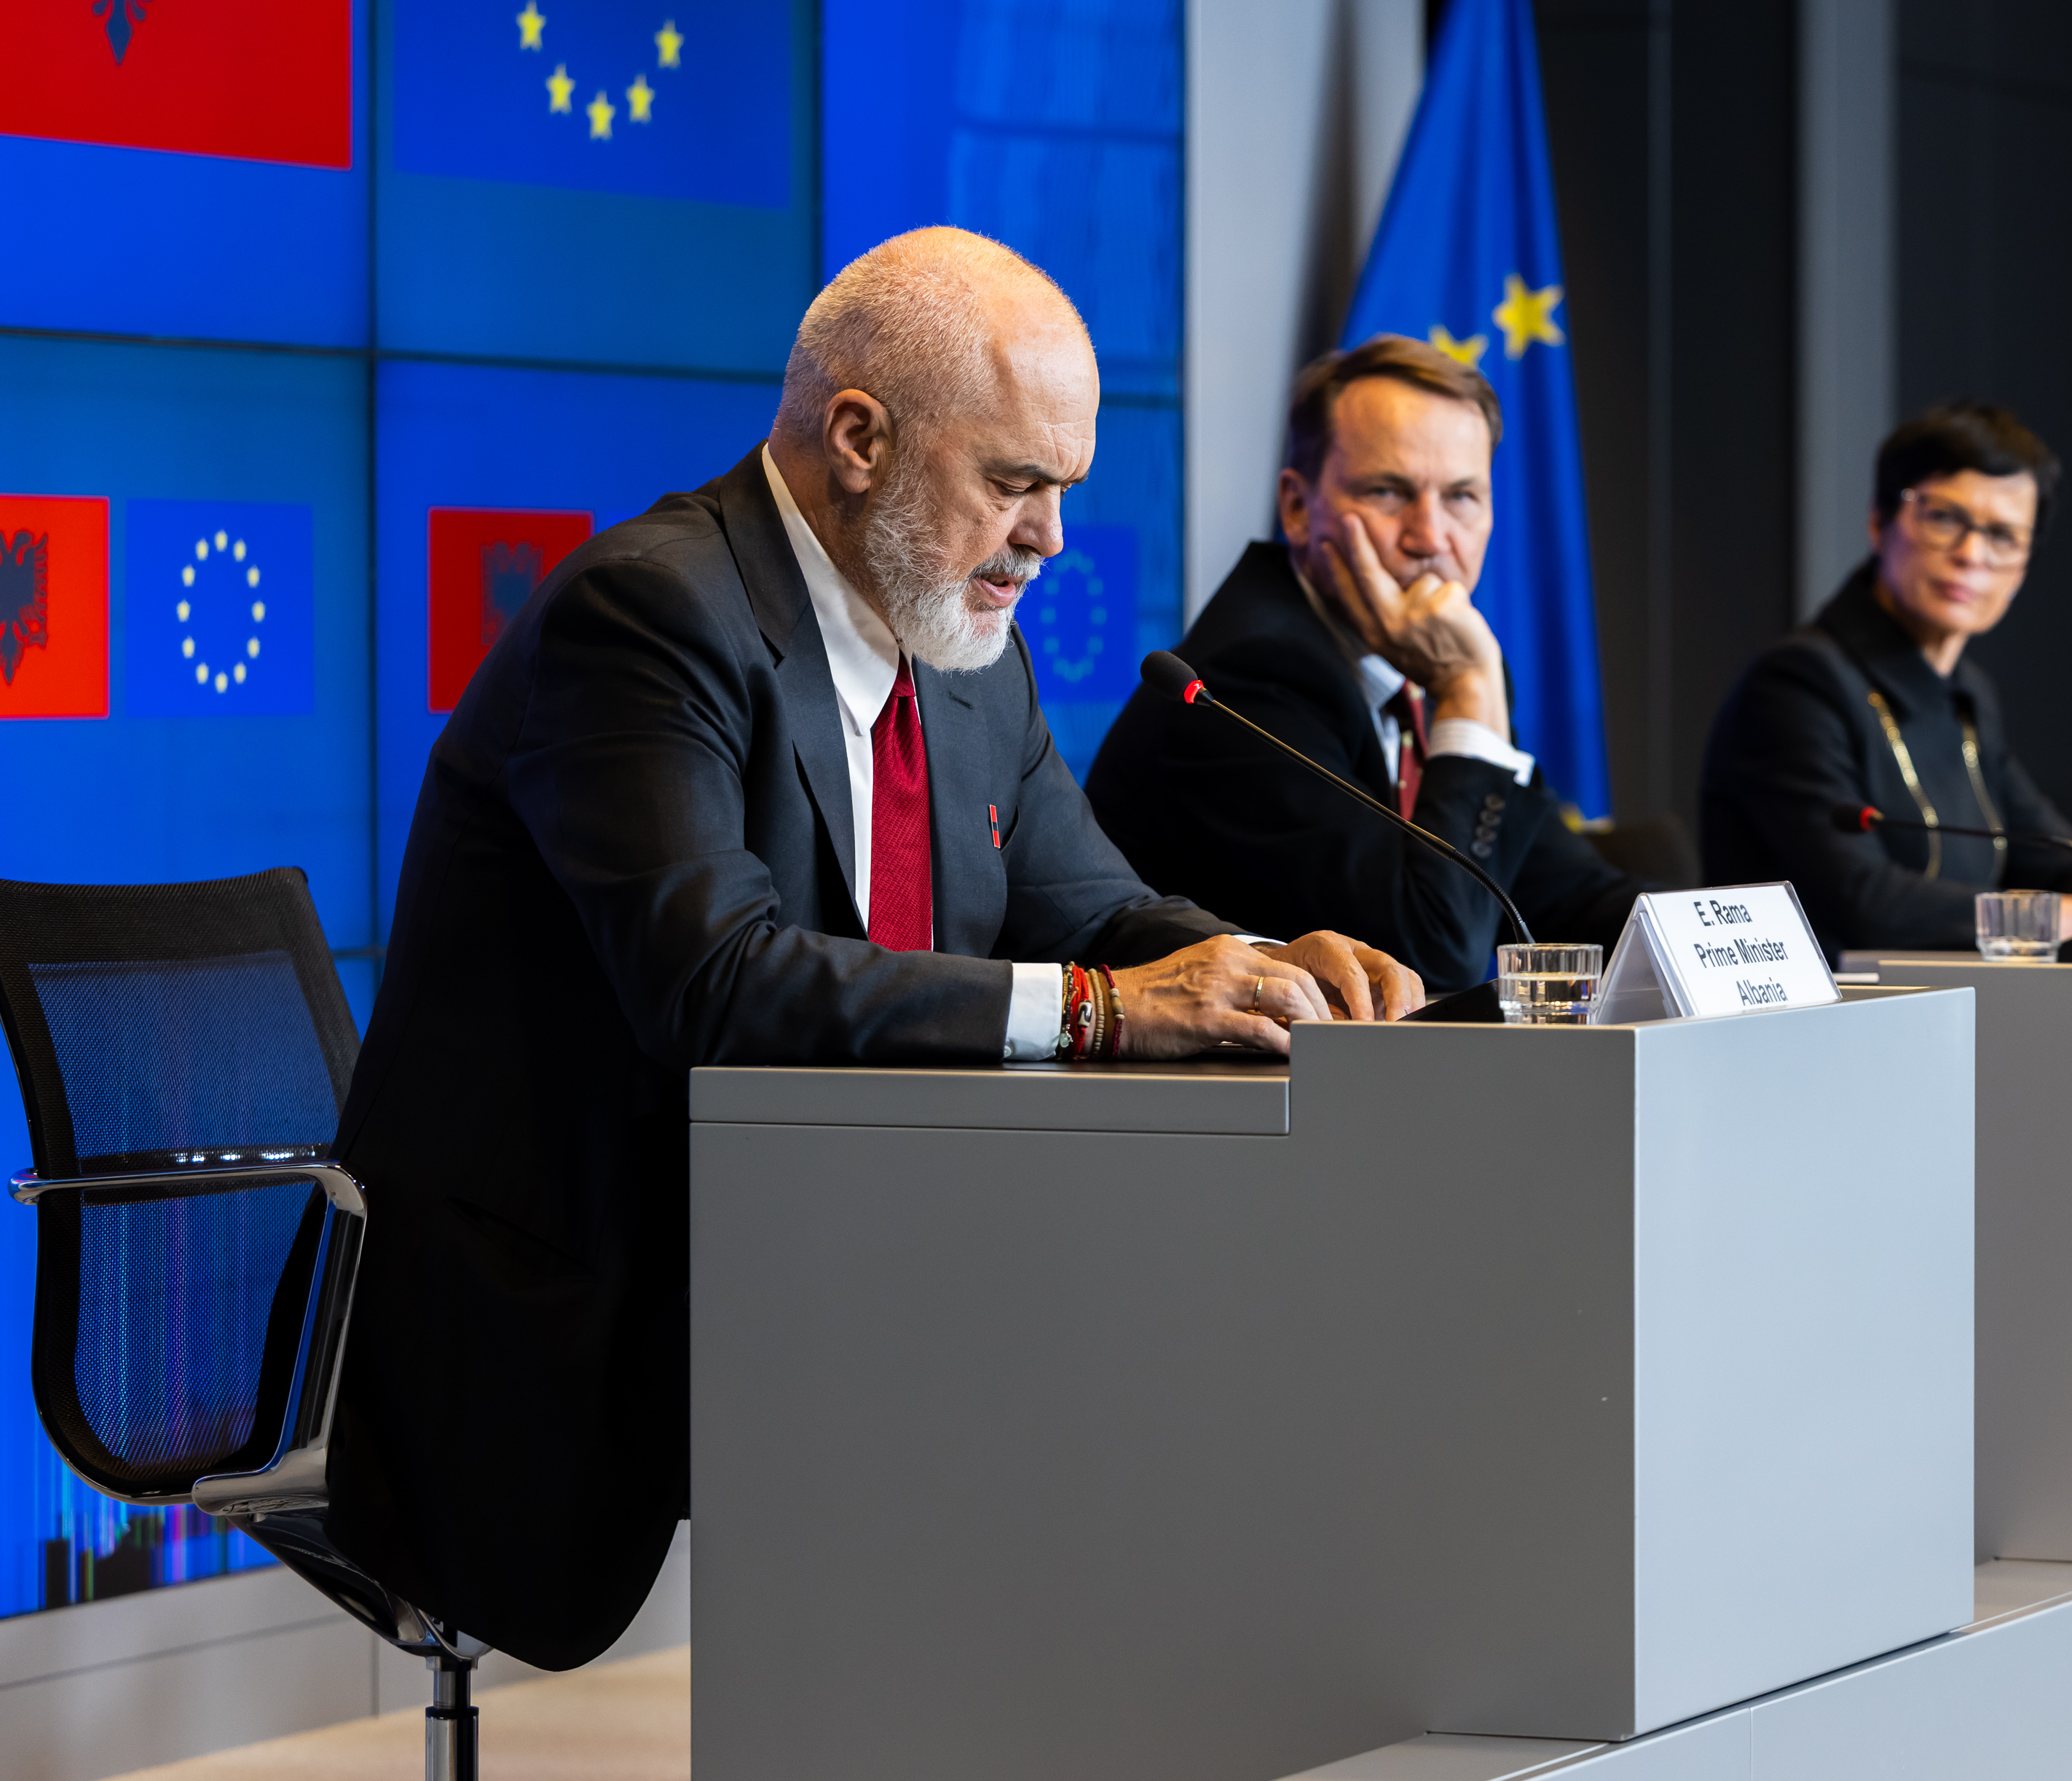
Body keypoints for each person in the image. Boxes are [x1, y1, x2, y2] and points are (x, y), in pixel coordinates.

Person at [324, 229, 1419, 1672]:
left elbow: (1097, 910)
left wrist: (1264, 967)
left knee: (1134, 1378)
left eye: (1065, 489)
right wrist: (1107, 1011)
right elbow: (717, 984)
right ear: (857, 439)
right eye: (1015, 482)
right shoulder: (647, 613)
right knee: (1020, 1421)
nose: (1049, 538)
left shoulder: (965, 650)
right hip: (573, 1299)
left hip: (835, 1255)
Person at [1085, 336, 1641, 993]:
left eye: (1462, 496)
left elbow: (1568, 894)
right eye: (1388, 492)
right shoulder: (1249, 676)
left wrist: (1716, 943)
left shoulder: (1425, 663)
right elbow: (1430, 957)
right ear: (1298, 508)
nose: (1430, 538)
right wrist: (1469, 691)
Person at [1699, 400, 2072, 964]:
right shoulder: (1797, 684)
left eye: (2003, 536)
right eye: (1943, 518)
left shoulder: (1968, 693)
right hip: (1822, 1007)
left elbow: (2056, 853)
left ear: (2023, 566)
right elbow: (1863, 901)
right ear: (1879, 521)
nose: (1971, 555)